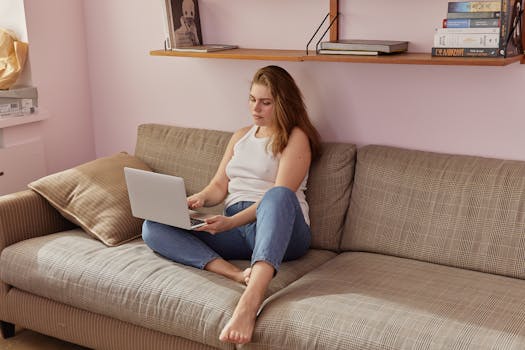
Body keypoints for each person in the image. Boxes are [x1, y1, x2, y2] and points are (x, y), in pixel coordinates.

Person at [142, 65, 321, 344]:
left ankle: (249, 304)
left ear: (283, 104)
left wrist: (231, 222)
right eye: (252, 99)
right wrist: (197, 200)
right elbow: (218, 187)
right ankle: (238, 275)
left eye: (265, 102)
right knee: (152, 225)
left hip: (283, 228)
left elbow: (281, 193)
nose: (255, 108)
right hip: (239, 231)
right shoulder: (241, 136)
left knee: (277, 195)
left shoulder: (295, 138)